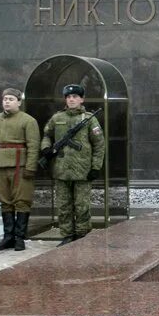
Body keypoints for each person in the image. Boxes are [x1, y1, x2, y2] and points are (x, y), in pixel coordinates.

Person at [40, 84, 104, 246]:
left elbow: (99, 145)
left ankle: (82, 235)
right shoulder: (57, 118)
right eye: (69, 97)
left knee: (82, 205)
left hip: (82, 170)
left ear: (81, 99)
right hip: (61, 170)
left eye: (75, 97)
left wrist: (96, 167)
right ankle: (67, 235)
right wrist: (46, 148)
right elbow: (47, 134)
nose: (72, 99)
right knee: (64, 205)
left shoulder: (89, 119)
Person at [0, 88, 40, 251]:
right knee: (5, 201)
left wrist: (30, 166)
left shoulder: (28, 121)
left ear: (19, 102)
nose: (7, 101)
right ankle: (8, 237)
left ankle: (19, 237)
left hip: (19, 166)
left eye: (11, 99)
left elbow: (33, 146)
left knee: (22, 201)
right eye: (5, 99)